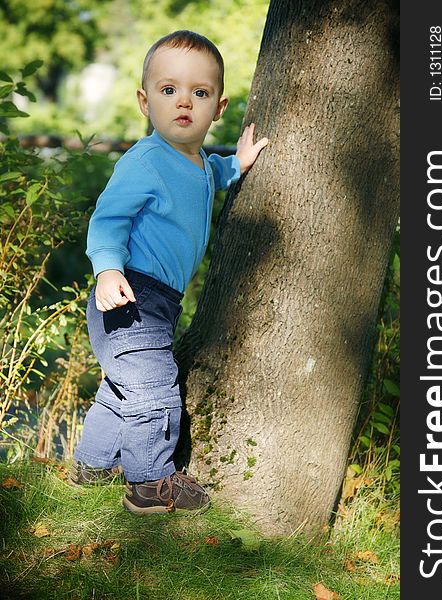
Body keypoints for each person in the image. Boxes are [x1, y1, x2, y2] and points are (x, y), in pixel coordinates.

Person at [69, 30, 268, 515]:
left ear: (217, 108)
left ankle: (90, 464)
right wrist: (107, 270)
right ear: (145, 101)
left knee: (124, 390)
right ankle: (150, 484)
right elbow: (108, 219)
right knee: (156, 387)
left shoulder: (198, 162)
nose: (184, 102)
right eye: (168, 90)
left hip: (159, 302)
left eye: (199, 93)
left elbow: (212, 177)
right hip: (128, 294)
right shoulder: (145, 161)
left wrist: (237, 164)